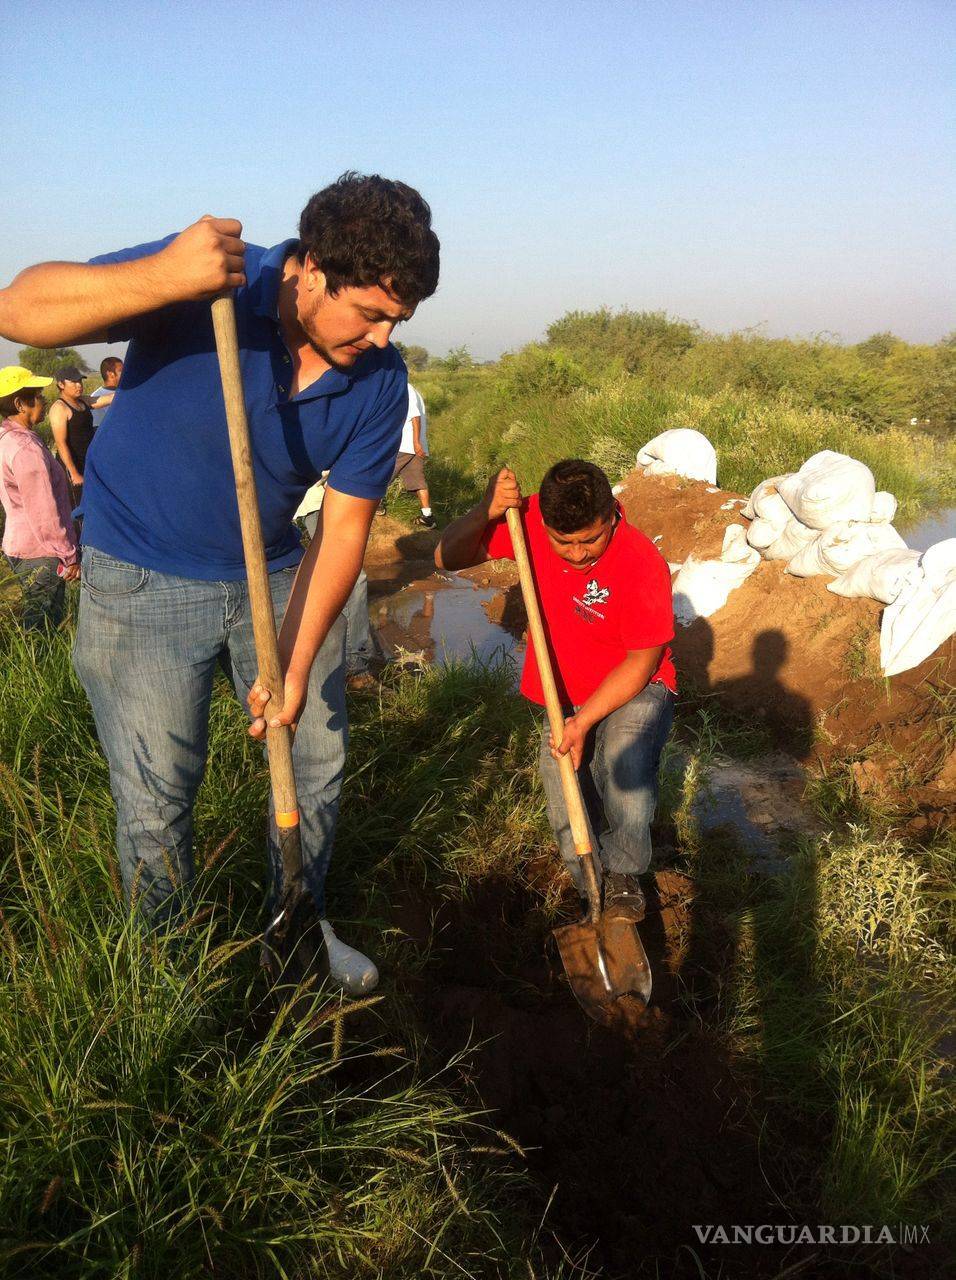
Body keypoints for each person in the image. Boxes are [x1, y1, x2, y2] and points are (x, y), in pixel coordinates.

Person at [0, 172, 440, 992]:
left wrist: (298, 664)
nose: (384, 338)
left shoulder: (379, 382)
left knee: (315, 761)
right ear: (310, 268)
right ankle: (166, 973)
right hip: (140, 580)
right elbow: (16, 308)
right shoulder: (209, 285)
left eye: (399, 319)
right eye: (371, 312)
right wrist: (166, 276)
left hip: (272, 573)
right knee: (159, 791)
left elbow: (344, 529)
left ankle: (297, 929)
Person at [436, 460, 675, 920]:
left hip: (636, 683)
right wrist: (484, 510)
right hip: (562, 689)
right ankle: (589, 883)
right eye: (562, 542)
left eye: (590, 539)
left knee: (621, 757)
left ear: (612, 515)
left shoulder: (641, 561)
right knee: (562, 782)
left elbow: (643, 660)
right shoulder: (522, 521)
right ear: (542, 523)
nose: (578, 554)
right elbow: (446, 558)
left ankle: (623, 875)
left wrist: (584, 721)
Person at [0, 366, 80, 628]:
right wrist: (68, 555)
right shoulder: (26, 449)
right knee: (42, 625)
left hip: (20, 544)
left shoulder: (7, 438)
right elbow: (44, 512)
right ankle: (40, 665)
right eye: (38, 395)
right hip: (41, 550)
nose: (44, 401)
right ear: (20, 404)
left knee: (37, 618)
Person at [295, 474, 376, 688]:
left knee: (342, 578)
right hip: (319, 500)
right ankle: (355, 667)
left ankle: (347, 658)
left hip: (339, 498)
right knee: (352, 579)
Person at [384, 381, 434, 527]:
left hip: (406, 444)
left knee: (383, 473)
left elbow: (415, 417)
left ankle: (378, 506)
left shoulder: (406, 388)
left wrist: (415, 442)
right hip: (415, 446)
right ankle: (428, 516)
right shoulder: (412, 390)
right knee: (418, 481)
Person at [48, 364, 95, 504]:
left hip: (87, 461)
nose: (79, 385)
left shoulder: (82, 401)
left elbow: (104, 399)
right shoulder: (59, 408)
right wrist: (74, 473)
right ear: (61, 384)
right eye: (73, 382)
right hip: (73, 466)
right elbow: (60, 443)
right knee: (78, 506)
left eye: (80, 381)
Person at [88, 356, 124, 429]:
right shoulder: (96, 398)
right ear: (110, 374)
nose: (125, 373)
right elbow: (97, 428)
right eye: (121, 371)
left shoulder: (126, 391)